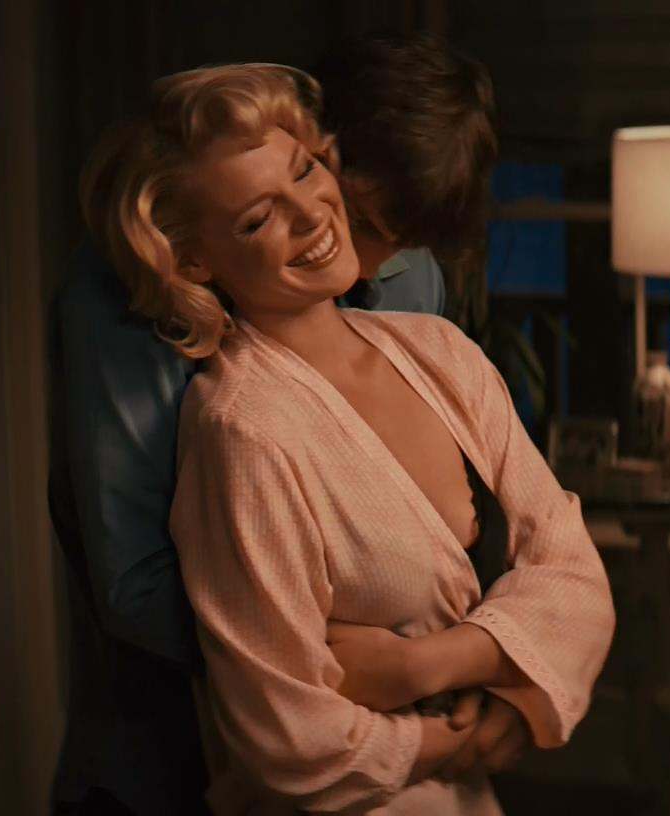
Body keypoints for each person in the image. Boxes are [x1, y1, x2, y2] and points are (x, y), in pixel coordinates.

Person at [78, 62, 613, 814]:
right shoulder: (243, 429)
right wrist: (448, 737)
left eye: (305, 170)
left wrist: (430, 666)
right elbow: (286, 736)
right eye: (257, 219)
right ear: (194, 260)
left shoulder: (440, 349)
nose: (312, 216)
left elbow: (575, 572)